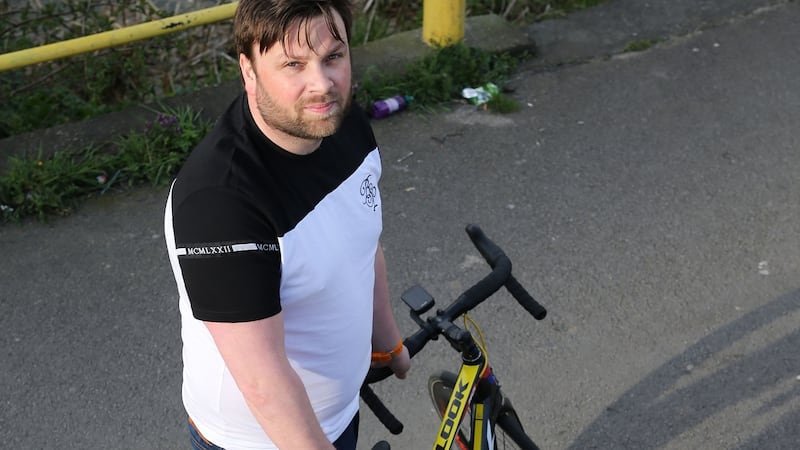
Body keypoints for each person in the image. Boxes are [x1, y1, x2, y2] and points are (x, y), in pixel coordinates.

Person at [163, 0, 410, 448]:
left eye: (333, 57)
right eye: (293, 65)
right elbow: (264, 383)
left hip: (339, 412)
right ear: (248, 70)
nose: (322, 84)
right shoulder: (218, 204)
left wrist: (387, 340)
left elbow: (363, 246)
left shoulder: (340, 123)